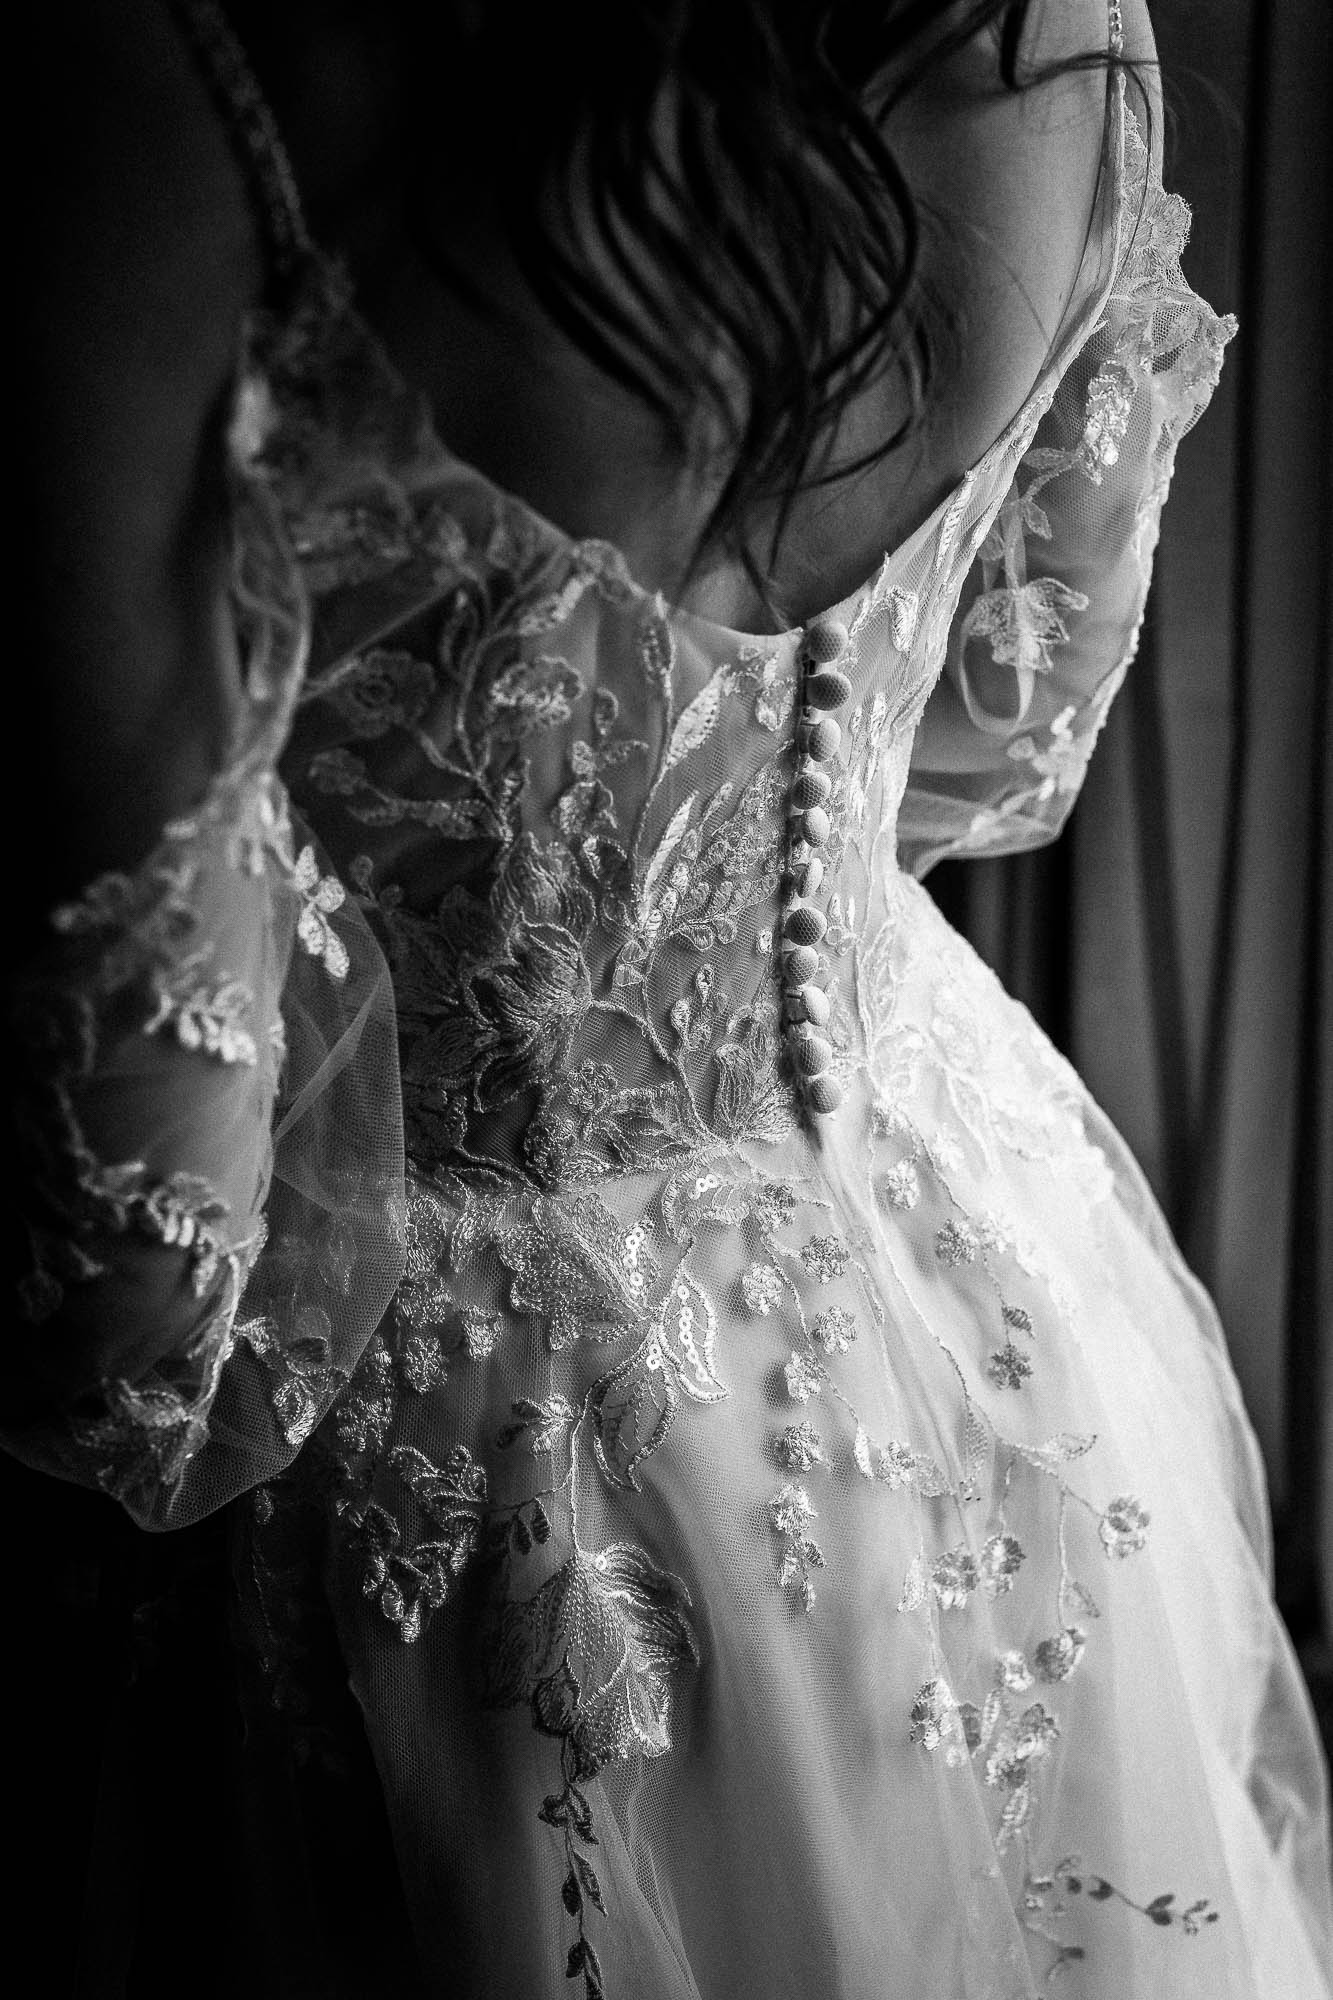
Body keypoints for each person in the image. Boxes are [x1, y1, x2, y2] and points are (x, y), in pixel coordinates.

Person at [10, 1, 1331, 1994]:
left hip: (402, 1451)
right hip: (943, 1263)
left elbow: (130, 1284)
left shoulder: (169, 80)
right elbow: (1001, 727)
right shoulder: (1058, 30)